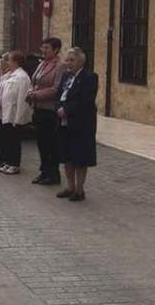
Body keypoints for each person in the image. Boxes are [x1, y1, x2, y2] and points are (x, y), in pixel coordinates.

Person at [55, 48, 98, 201]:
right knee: (67, 156)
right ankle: (70, 186)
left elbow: (86, 100)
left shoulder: (89, 77)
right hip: (64, 122)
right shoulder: (66, 76)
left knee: (79, 157)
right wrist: (58, 107)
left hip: (81, 124)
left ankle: (79, 190)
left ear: (81, 61)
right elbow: (59, 93)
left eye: (72, 60)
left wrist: (67, 109)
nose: (68, 63)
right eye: (67, 60)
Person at [27, 38, 67, 186]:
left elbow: (57, 88)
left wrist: (37, 94)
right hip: (38, 108)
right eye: (42, 47)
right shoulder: (42, 64)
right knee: (41, 142)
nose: (43, 51)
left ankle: (53, 174)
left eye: (47, 48)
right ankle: (44, 171)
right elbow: (34, 82)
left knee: (51, 143)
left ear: (56, 50)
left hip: (50, 110)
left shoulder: (60, 66)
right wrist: (31, 91)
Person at [0, 51, 33, 175]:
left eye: (8, 60)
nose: (6, 62)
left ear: (15, 62)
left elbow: (22, 99)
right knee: (6, 139)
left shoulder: (22, 77)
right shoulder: (8, 75)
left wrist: (19, 118)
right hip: (4, 112)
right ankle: (7, 161)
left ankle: (15, 164)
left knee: (14, 140)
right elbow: (0, 91)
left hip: (14, 114)